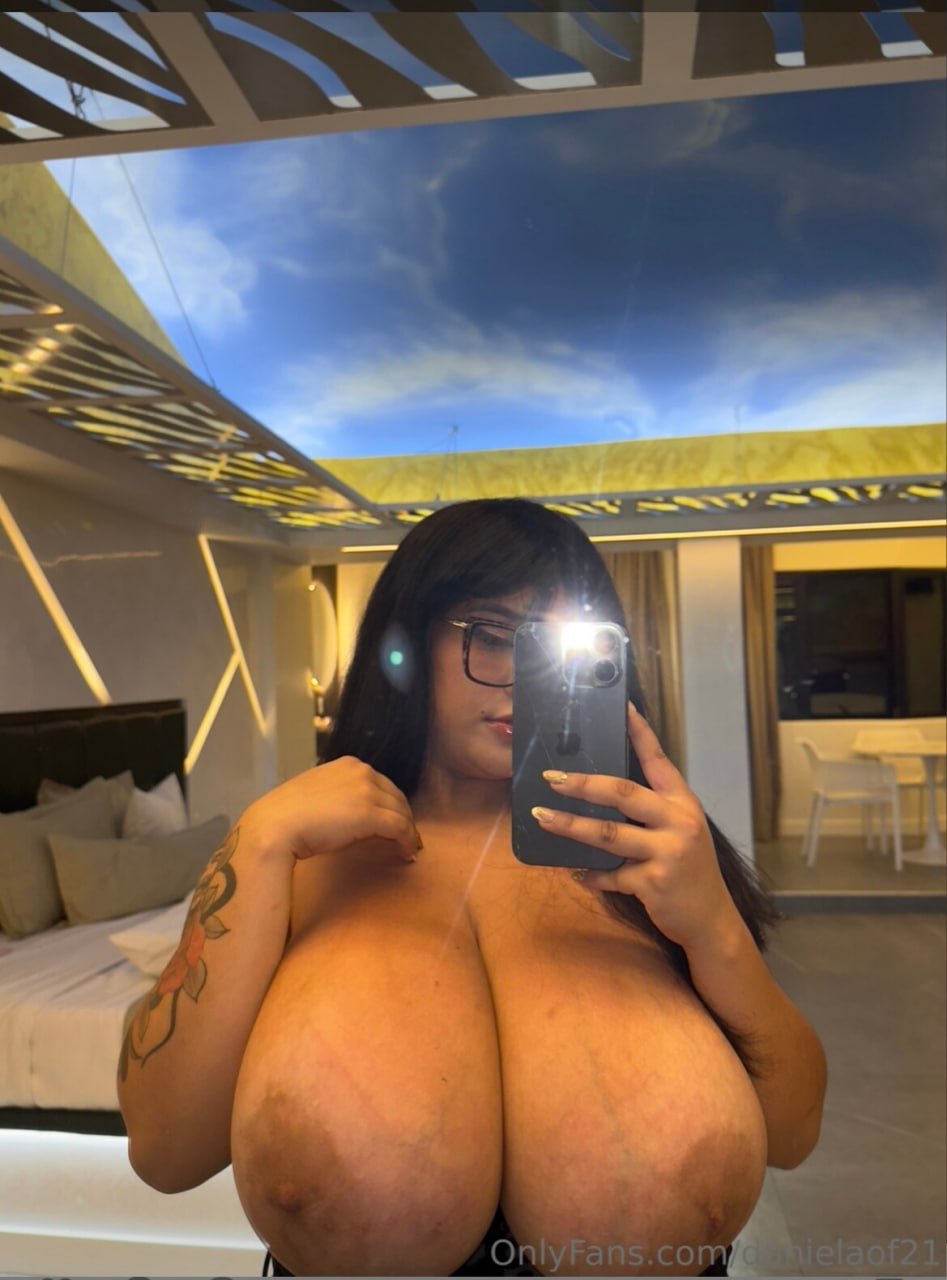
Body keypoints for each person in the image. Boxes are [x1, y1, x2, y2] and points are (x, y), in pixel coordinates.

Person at [118, 498, 827, 1278]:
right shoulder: (302, 861)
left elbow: (793, 1135)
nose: (523, 678)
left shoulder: (650, 858)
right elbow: (164, 1152)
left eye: (553, 646)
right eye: (491, 634)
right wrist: (256, 844)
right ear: (407, 644)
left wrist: (714, 925)